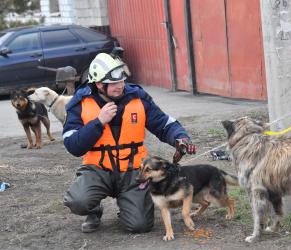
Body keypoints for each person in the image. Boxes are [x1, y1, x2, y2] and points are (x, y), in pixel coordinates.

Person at [62, 53, 196, 233]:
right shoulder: (80, 103)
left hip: (134, 170)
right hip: (98, 168)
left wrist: (180, 138)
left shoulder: (137, 97)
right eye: (115, 83)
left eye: (122, 80)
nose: (121, 86)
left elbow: (164, 123)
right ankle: (94, 210)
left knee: (139, 225)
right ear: (100, 84)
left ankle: (129, 206)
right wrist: (98, 122)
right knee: (78, 201)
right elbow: (73, 145)